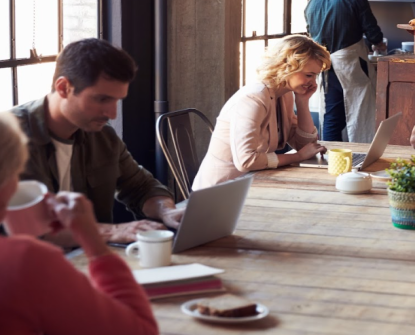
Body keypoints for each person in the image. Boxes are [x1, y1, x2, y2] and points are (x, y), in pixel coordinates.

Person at [11, 38, 182, 246]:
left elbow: (141, 187)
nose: (112, 113)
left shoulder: (102, 136)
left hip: (90, 260)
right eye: (102, 99)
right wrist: (113, 231)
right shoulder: (10, 139)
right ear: (64, 87)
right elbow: (35, 228)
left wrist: (168, 212)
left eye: (117, 100)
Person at [0, 111, 159, 335]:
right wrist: (96, 245)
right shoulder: (26, 262)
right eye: (17, 173)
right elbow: (138, 331)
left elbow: (140, 184)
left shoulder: (104, 137)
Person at [192, 35, 330, 189]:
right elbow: (246, 161)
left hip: (253, 182)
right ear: (286, 67)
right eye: (309, 75)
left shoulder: (285, 94)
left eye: (315, 76)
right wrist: (297, 157)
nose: (313, 82)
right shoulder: (254, 98)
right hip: (220, 191)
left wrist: (303, 102)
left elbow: (305, 147)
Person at [305, 0, 386, 143]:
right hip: (351, 63)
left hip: (323, 63)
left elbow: (310, 32)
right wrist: (378, 44)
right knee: (360, 108)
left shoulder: (313, 0)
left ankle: (329, 156)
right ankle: (361, 153)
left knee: (332, 113)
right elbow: (371, 29)